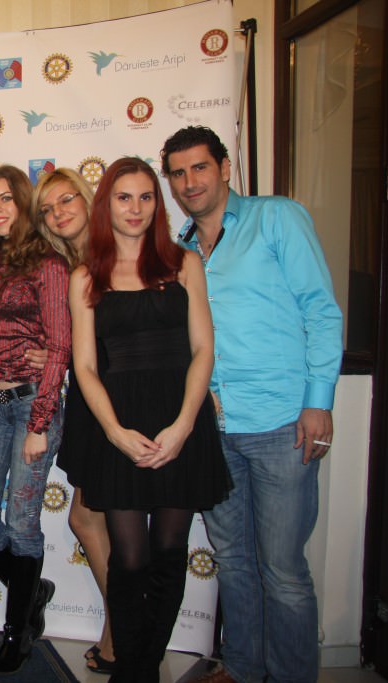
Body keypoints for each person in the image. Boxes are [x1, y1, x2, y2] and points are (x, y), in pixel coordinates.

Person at [162, 126, 343, 683]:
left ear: (225, 168)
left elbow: (321, 311)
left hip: (282, 424)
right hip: (214, 430)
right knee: (233, 560)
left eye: (200, 167)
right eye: (178, 173)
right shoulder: (178, 251)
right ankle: (242, 667)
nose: (189, 182)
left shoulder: (277, 218)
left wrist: (318, 402)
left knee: (283, 570)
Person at [68, 157, 230, 683]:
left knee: (168, 552)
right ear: (106, 204)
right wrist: (114, 432)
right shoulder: (86, 276)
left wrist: (183, 426)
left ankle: (141, 671)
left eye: (145, 197)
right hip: (120, 427)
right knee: (130, 559)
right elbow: (85, 367)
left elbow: (203, 349)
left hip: (180, 422)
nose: (135, 208)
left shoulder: (184, 264)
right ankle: (134, 668)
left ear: (158, 204)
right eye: (124, 197)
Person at [0, 165, 70, 673]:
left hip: (32, 403)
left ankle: (17, 633)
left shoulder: (49, 263)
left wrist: (40, 423)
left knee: (22, 524)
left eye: (6, 198)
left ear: (24, 203)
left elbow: (61, 344)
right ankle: (34, 591)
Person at [37, 168, 115, 675]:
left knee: (94, 520)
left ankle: (123, 632)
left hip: (117, 402)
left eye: (66, 200)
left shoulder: (116, 257)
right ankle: (122, 629)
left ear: (88, 199)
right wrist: (48, 353)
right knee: (92, 520)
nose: (58, 213)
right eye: (47, 209)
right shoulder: (66, 267)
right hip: (87, 404)